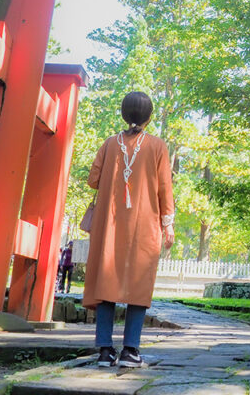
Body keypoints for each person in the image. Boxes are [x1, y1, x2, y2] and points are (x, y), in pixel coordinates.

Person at [82, 91, 174, 368]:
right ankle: (131, 351)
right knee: (138, 282)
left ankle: (105, 351)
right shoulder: (158, 146)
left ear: (124, 114)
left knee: (105, 282)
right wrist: (167, 223)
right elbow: (164, 188)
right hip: (144, 223)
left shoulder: (110, 143)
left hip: (109, 222)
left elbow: (92, 179)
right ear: (148, 117)